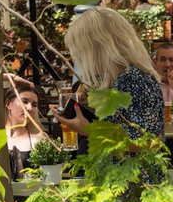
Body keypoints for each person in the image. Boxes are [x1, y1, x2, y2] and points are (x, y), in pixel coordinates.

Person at [56, 7, 164, 141]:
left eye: (82, 51)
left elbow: (150, 142)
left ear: (99, 47)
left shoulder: (134, 79)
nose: (79, 59)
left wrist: (90, 131)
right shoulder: (116, 77)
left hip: (132, 162)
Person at [4, 80, 46, 153]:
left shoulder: (39, 139)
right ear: (8, 104)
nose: (30, 108)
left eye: (34, 105)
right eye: (24, 101)